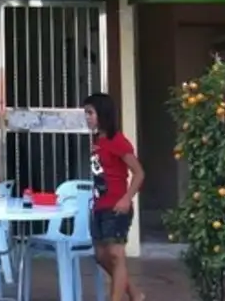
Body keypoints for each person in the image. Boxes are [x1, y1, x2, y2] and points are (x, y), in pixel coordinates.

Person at [85, 93, 145, 301]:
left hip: (116, 206)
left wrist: (127, 199)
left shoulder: (117, 141)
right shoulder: (96, 141)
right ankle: (135, 294)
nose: (87, 117)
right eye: (86, 113)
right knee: (102, 256)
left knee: (116, 255)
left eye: (90, 113)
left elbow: (139, 173)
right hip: (99, 206)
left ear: (103, 114)